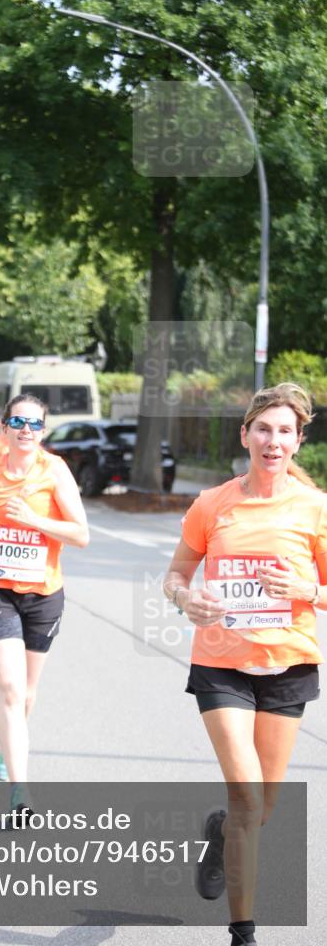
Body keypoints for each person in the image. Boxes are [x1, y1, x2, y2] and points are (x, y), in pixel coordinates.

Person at [163, 383, 326, 946]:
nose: (273, 441)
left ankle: (219, 834)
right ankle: (243, 933)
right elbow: (175, 575)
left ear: (298, 443)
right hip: (221, 665)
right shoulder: (212, 503)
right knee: (247, 797)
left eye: (285, 432)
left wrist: (309, 587)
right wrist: (187, 600)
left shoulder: (315, 508)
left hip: (288, 665)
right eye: (264, 429)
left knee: (261, 809)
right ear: (245, 435)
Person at [0, 393, 89, 814]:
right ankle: (21, 792)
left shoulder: (54, 471)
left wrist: (34, 520)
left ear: (43, 431)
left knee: (27, 693)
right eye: (18, 422)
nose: (25, 431)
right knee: (10, 687)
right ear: (4, 428)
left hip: (43, 595)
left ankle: (8, 746)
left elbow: (81, 534)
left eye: (34, 424)